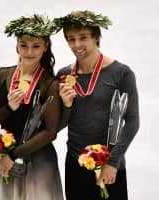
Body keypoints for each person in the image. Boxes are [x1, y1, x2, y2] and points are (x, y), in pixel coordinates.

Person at [55, 10, 139, 200]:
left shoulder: (121, 73)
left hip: (110, 164)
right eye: (71, 39)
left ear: (96, 37)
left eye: (83, 37)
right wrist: (67, 106)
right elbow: (56, 126)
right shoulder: (63, 75)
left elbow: (132, 121)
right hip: (75, 164)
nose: (77, 45)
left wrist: (113, 162)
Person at [0, 14, 64, 200]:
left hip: (39, 159)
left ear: (45, 46)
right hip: (8, 160)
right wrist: (9, 107)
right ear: (17, 45)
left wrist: (12, 155)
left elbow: (50, 132)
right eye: (23, 45)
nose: (29, 51)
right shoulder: (1, 75)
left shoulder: (49, 83)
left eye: (36, 46)